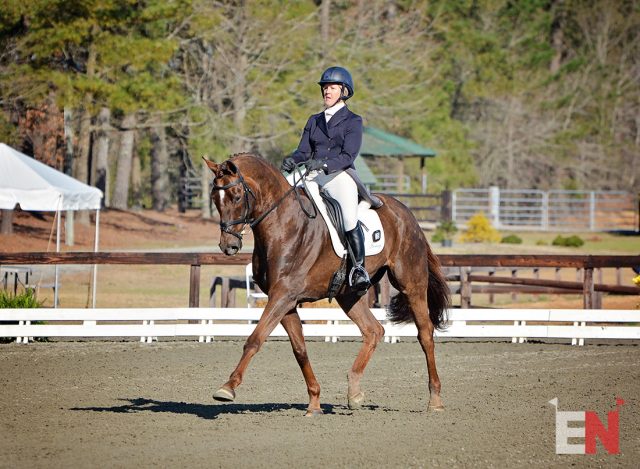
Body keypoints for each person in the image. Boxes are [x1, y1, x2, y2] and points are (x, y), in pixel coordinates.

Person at [281, 66, 382, 295]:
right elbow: (303, 152)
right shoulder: (314, 120)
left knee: (348, 217)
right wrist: (292, 159)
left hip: (339, 174)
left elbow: (348, 155)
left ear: (344, 91)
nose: (327, 91)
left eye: (332, 88)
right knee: (283, 193)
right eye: (325, 88)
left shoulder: (353, 120)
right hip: (312, 173)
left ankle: (358, 269)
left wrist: (325, 165)